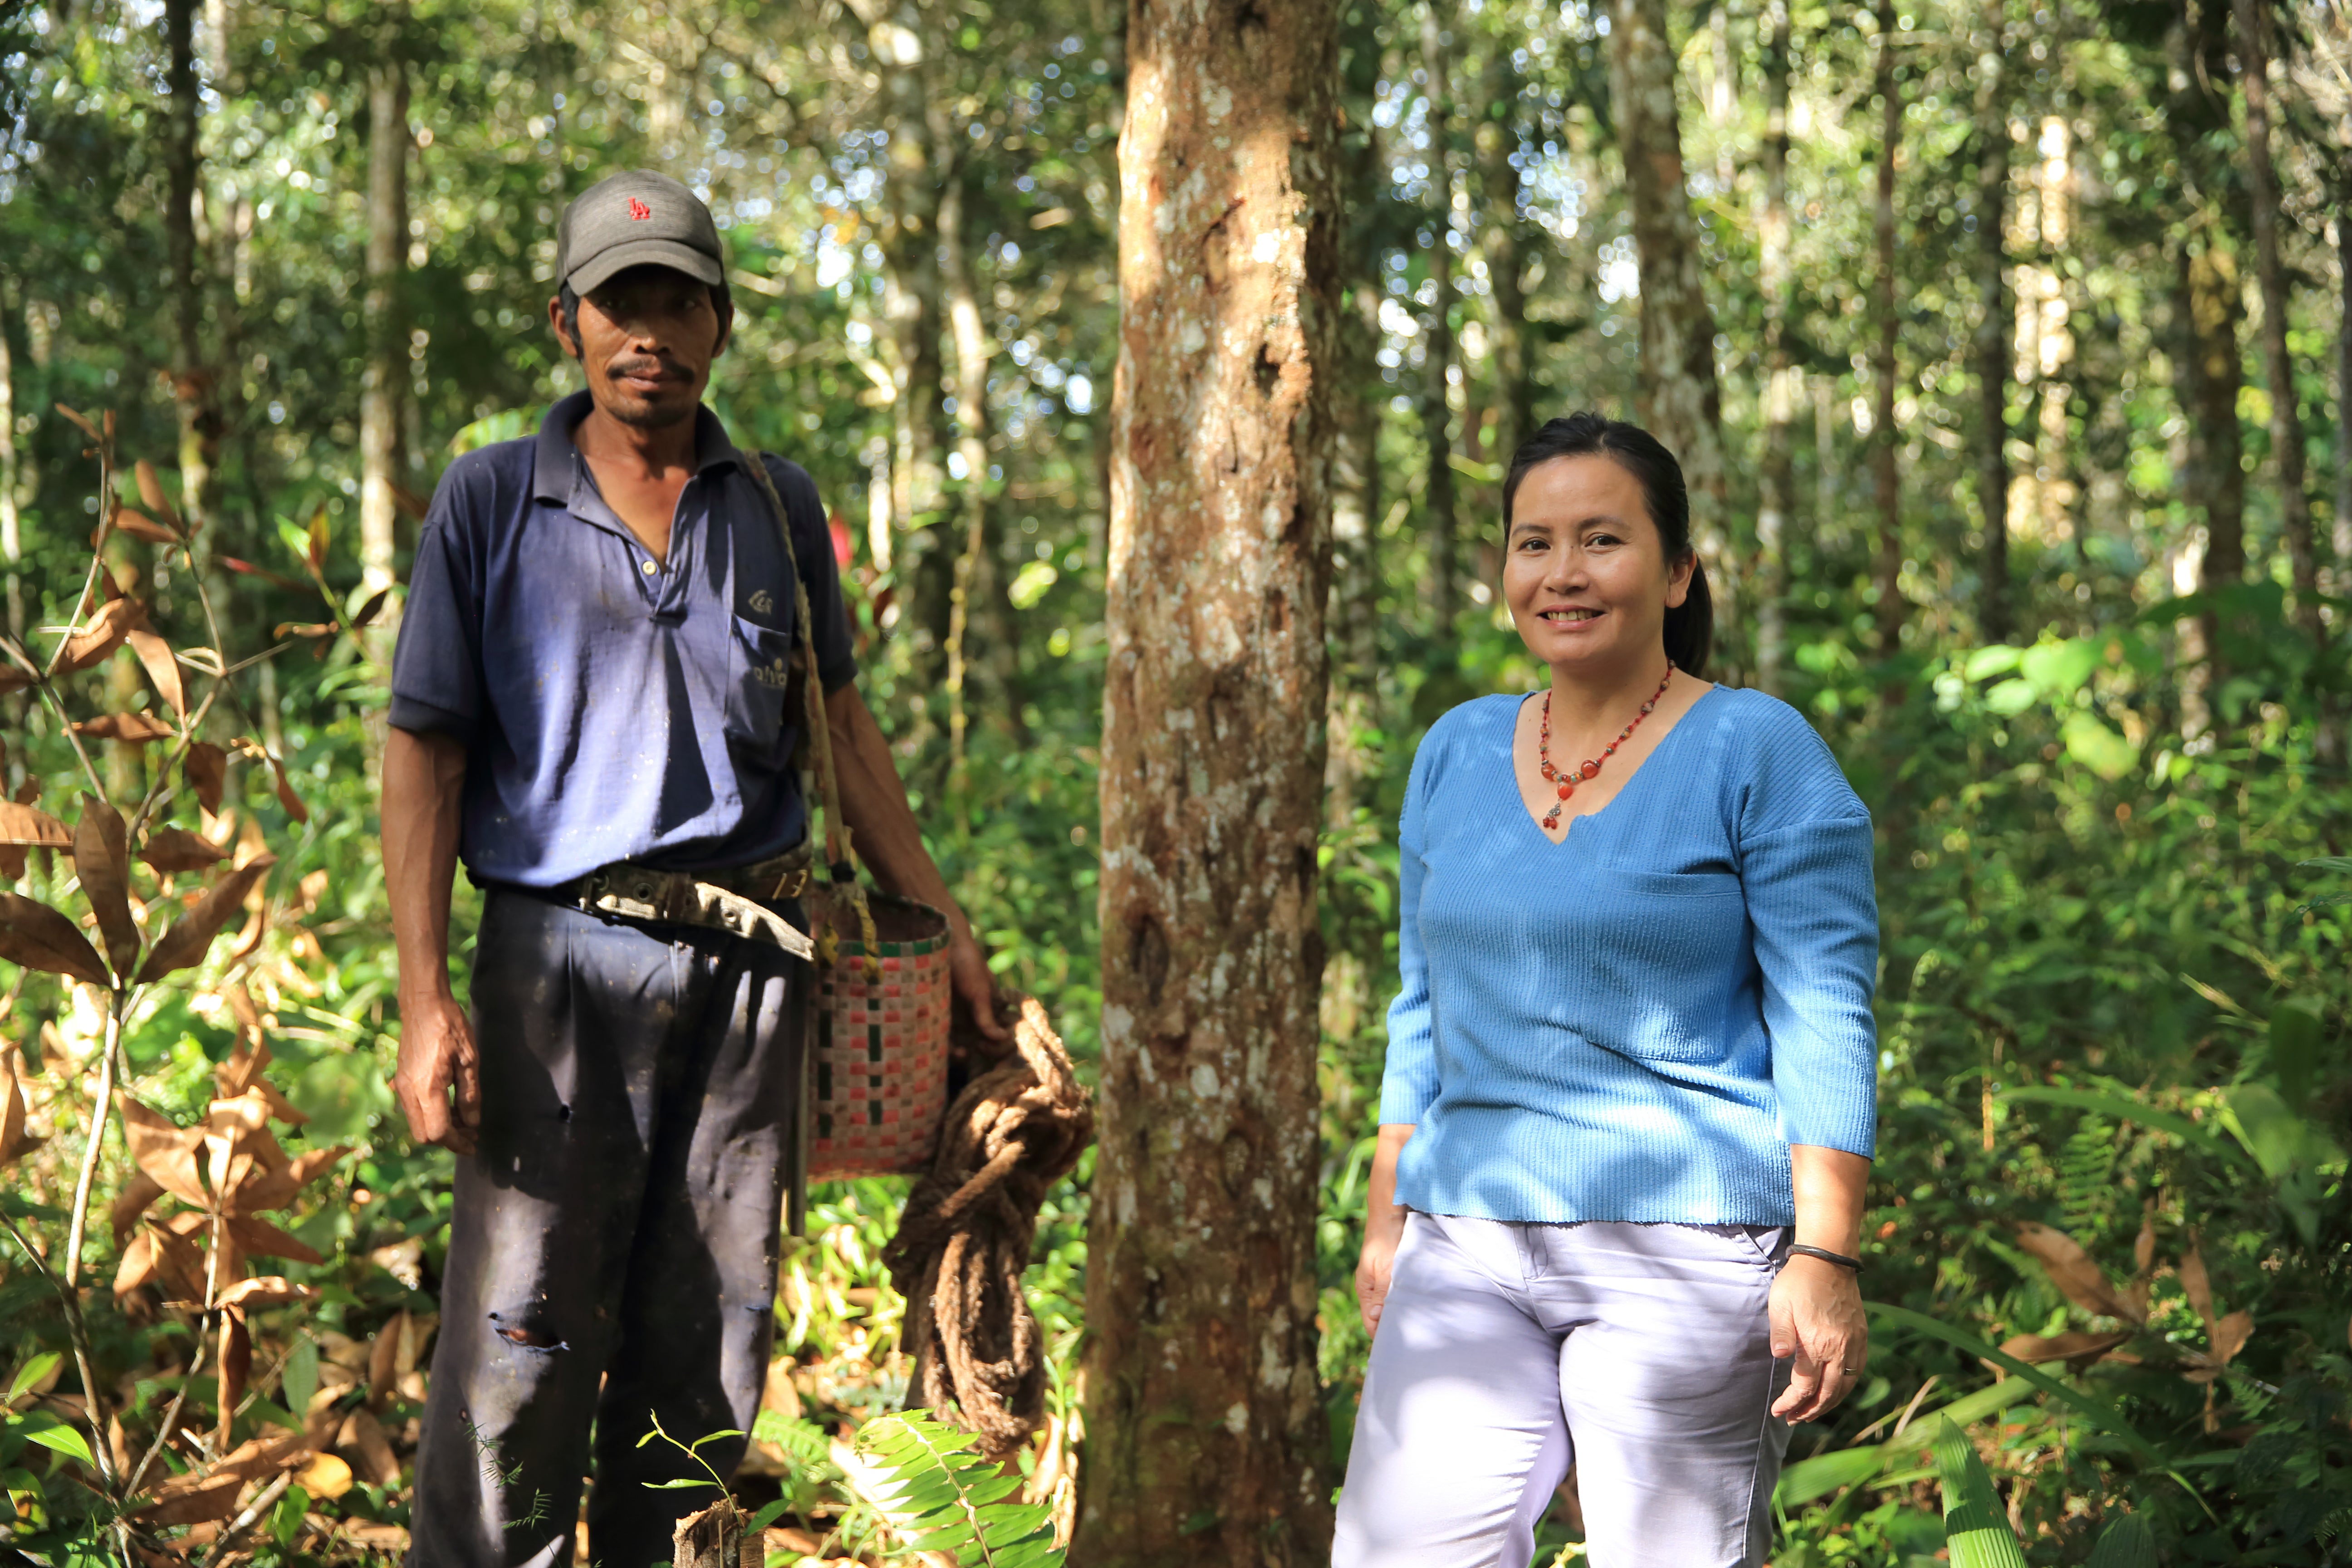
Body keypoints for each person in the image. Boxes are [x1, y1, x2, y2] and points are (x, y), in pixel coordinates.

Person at [382, 168, 1004, 1566]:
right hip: (555, 973)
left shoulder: (775, 509)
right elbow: (424, 752)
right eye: (619, 303)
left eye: (677, 302)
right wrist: (427, 1003)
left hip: (752, 981)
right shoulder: (491, 501)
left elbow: (839, 725)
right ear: (568, 324)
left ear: (720, 325)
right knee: (519, 1343)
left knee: (711, 1350)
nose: (647, 332)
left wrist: (941, 918)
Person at [1332, 413, 1880, 1568]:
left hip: (1686, 1245)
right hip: (1467, 1237)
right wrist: (1389, 1219)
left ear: (1677, 571)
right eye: (1534, 543)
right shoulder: (1457, 750)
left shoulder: (1757, 748)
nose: (1562, 574)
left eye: (1601, 540)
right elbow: (1423, 1002)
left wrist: (1825, 1257)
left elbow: (1825, 1012)